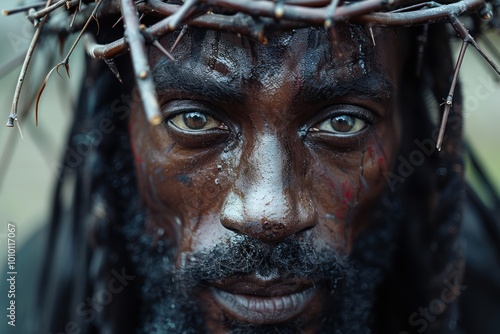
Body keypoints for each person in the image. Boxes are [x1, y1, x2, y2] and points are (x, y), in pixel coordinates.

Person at [3, 0, 500, 333]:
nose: (269, 212)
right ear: (121, 122)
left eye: (343, 123)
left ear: (410, 126)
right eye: (194, 119)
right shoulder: (22, 303)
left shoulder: (484, 294)